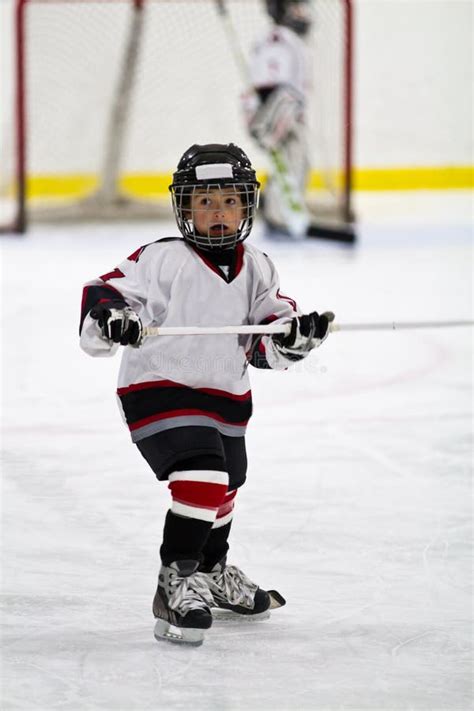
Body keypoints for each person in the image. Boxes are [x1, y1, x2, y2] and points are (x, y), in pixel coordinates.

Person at [79, 143, 332, 646]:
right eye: (205, 202)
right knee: (203, 473)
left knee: (228, 480)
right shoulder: (161, 258)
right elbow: (103, 292)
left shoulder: (258, 265)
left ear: (247, 206)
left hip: (226, 395)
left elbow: (266, 333)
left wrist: (292, 335)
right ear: (184, 208)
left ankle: (213, 571)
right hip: (157, 388)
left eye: (230, 202)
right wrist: (114, 319)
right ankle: (175, 579)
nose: (218, 214)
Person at [242, 0, 313, 236]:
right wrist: (276, 118)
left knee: (292, 164)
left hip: (284, 112)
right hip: (282, 113)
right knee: (291, 165)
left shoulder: (281, 38)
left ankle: (276, 214)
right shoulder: (279, 38)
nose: (304, 14)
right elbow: (271, 84)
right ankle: (279, 219)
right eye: (297, 7)